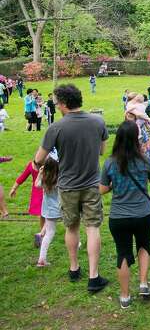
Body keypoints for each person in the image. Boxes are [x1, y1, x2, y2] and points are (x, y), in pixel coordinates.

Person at [33, 84, 110, 292]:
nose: (56, 106)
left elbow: (38, 159)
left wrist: (37, 164)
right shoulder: (98, 121)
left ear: (64, 103)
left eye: (57, 103)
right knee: (92, 228)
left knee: (71, 227)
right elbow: (102, 151)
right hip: (92, 184)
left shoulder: (55, 128)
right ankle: (94, 277)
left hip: (67, 187)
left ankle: (74, 268)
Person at [100, 120, 150, 308]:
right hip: (143, 214)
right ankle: (143, 283)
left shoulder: (110, 163)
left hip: (119, 217)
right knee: (144, 246)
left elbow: (102, 189)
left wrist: (113, 185)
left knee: (123, 254)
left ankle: (125, 297)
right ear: (137, 138)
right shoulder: (144, 160)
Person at [35, 153, 61, 267]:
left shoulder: (44, 180)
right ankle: (77, 244)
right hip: (61, 209)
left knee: (49, 232)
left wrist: (40, 174)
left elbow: (36, 185)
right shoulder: (59, 180)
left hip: (48, 211)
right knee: (72, 228)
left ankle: (42, 259)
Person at [10, 160, 44, 243]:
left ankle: (43, 232)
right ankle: (43, 233)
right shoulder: (49, 165)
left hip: (38, 193)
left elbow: (22, 177)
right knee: (45, 214)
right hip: (45, 192)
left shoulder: (31, 165)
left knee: (42, 214)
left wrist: (14, 188)